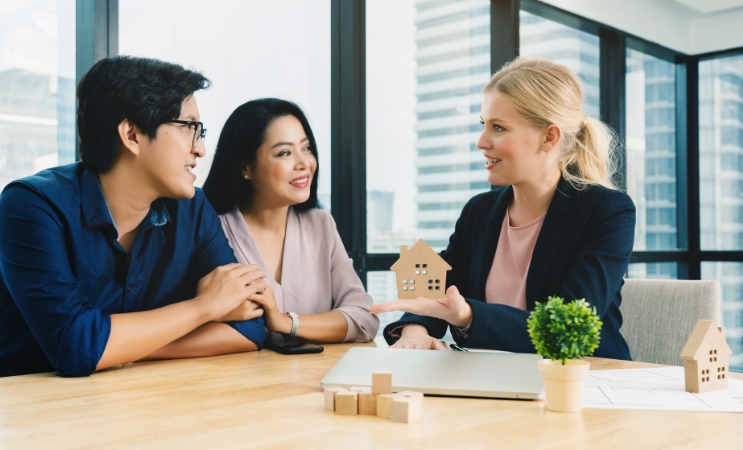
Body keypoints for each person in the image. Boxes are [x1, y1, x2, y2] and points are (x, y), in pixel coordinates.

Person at [0, 56, 268, 380]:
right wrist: (204, 308)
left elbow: (250, 327)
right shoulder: (32, 206)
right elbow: (75, 346)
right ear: (132, 134)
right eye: (190, 129)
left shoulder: (192, 208)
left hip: (121, 403)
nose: (201, 149)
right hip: (15, 409)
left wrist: (120, 348)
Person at [370, 58, 635, 360]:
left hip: (583, 382)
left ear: (549, 136)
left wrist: (469, 315)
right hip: (491, 379)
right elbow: (442, 287)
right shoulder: (479, 211)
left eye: (498, 128)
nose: (481, 141)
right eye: (483, 125)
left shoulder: (607, 211)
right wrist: (415, 327)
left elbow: (566, 327)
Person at [203, 98, 378, 344]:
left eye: (306, 148)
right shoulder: (210, 232)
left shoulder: (321, 225)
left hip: (318, 378)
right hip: (238, 380)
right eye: (285, 152)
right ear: (246, 166)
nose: (304, 163)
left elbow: (364, 318)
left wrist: (286, 322)